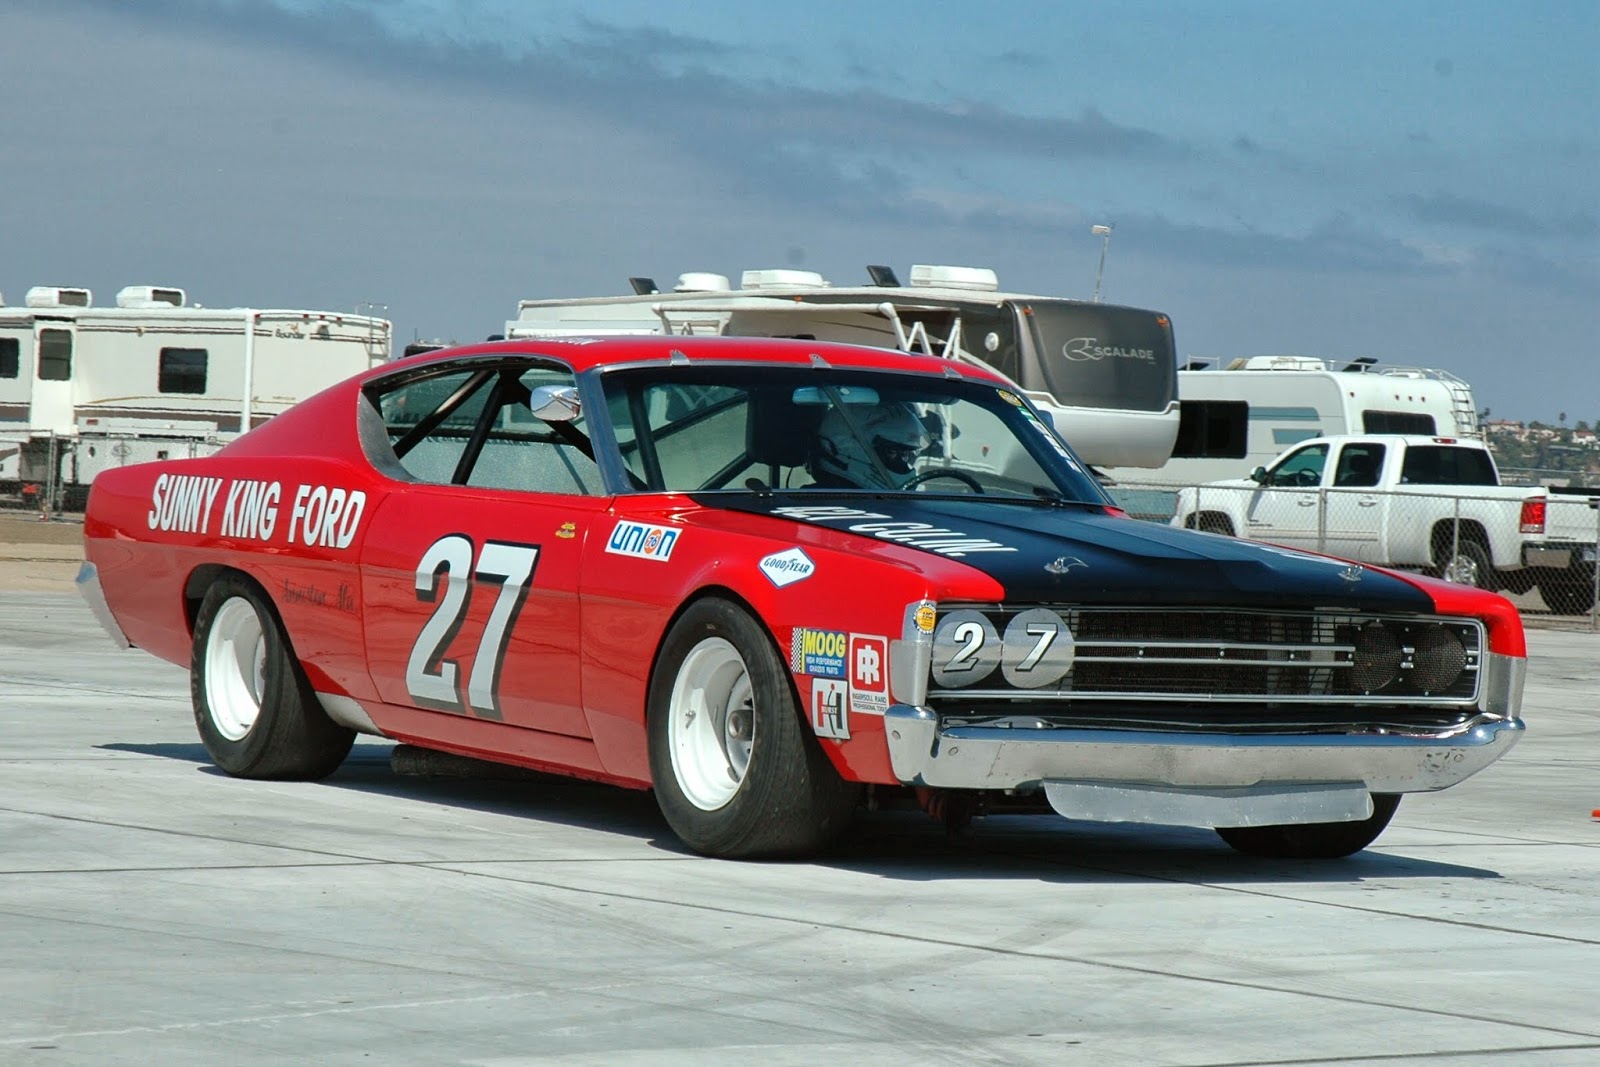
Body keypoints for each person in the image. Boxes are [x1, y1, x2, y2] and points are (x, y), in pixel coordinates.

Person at [810, 400, 931, 489]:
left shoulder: (902, 504)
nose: (901, 463)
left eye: (904, 453)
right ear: (844, 448)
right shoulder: (810, 505)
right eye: (891, 452)